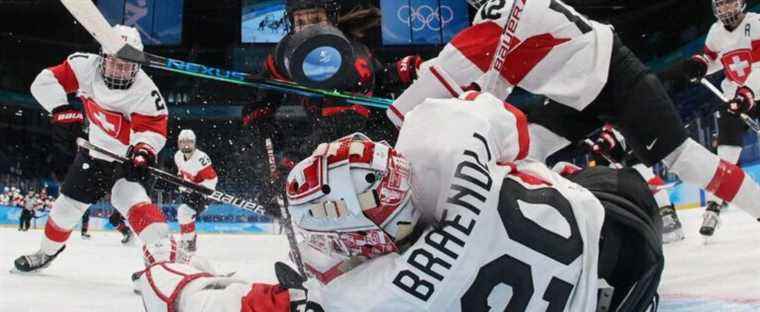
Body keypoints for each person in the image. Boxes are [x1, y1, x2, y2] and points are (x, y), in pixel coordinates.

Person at [134, 91, 663, 312]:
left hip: (607, 298)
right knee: (536, 165)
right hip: (621, 221)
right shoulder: (439, 134)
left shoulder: (369, 293)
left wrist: (176, 282)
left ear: (367, 237)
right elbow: (513, 126)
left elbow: (239, 303)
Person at [386, 0, 760, 223]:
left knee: (685, 159)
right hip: (574, 91)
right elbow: (484, 79)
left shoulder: (500, 15)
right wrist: (424, 68)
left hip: (613, 75)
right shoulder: (505, 13)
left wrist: (401, 104)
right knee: (522, 151)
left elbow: (464, 77)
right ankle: (558, 227)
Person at [14, 25, 175, 272]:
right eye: (114, 63)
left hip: (125, 162)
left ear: (137, 66)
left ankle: (163, 264)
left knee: (132, 202)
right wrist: (60, 109)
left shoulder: (146, 93)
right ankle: (46, 253)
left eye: (127, 66)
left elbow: (153, 131)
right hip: (92, 154)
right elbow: (44, 81)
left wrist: (143, 151)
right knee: (64, 209)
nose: (120, 71)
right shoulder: (84, 67)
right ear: (102, 58)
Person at [658, 0, 760, 238]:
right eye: (721, 5)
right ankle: (714, 205)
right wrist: (700, 64)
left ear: (742, 3)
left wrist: (747, 92)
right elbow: (713, 58)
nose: (725, 10)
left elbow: (758, 67)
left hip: (754, 92)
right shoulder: (716, 32)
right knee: (726, 149)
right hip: (735, 96)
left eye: (729, 3)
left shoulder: (755, 24)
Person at [587, 124, 685, 243]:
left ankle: (666, 217)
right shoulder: (610, 131)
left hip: (635, 165)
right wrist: (599, 150)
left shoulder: (619, 126)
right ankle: (659, 220)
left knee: (647, 180)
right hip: (625, 170)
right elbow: (603, 148)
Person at [173, 129, 218, 256]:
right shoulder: (177, 156)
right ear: (178, 143)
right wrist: (183, 186)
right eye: (183, 142)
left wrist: (202, 192)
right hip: (190, 190)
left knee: (184, 211)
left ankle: (188, 243)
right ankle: (188, 241)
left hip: (203, 193)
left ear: (194, 143)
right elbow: (182, 174)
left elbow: (212, 179)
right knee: (183, 213)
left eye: (189, 142)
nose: (186, 145)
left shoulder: (201, 159)